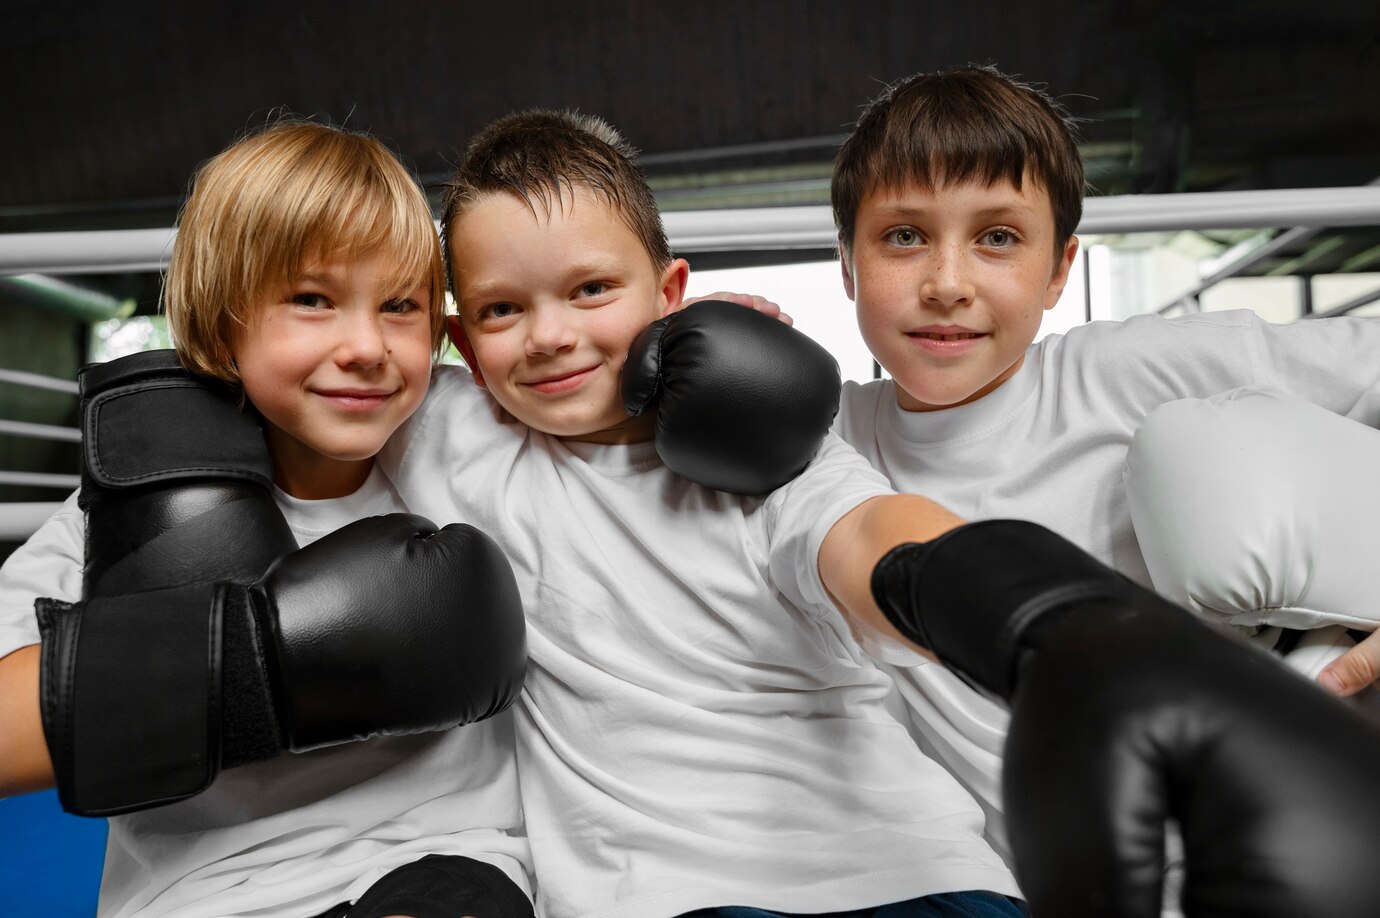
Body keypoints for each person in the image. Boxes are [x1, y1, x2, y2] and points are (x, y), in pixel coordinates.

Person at [378, 108, 1029, 918]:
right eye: (501, 310)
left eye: (592, 290)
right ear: (464, 347)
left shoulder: (759, 438)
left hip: (915, 868)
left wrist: (1015, 605)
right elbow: (323, 359)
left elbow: (861, 531)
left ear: (670, 295)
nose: (549, 335)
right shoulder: (456, 438)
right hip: (665, 894)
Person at [826, 64, 1380, 858]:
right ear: (847, 262)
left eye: (998, 238)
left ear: (1059, 271)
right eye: (904, 237)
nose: (947, 284)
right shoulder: (825, 443)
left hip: (1275, 826)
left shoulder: (1123, 370)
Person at [0, 120, 533, 918]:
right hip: (207, 896)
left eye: (399, 306)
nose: (365, 346)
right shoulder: (123, 516)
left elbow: (596, 388)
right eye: (313, 300)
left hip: (448, 869)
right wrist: (259, 664)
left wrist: (676, 348)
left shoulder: (471, 450)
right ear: (222, 322)